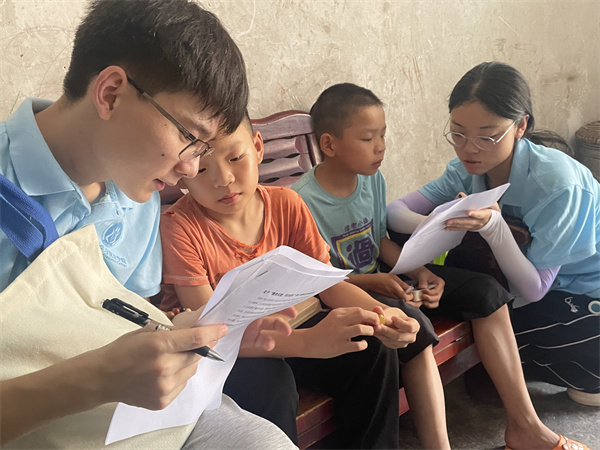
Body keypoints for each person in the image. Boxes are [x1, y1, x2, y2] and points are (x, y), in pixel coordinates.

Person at [0, 1, 297, 448]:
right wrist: (97, 379)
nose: (192, 169)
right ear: (111, 93)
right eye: (189, 137)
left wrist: (196, 333)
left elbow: (113, 321)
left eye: (204, 149)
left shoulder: (137, 196)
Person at [294, 82, 590, 450]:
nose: (381, 147)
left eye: (383, 135)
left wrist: (420, 271)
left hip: (386, 278)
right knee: (415, 326)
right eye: (369, 138)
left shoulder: (371, 181)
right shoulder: (301, 202)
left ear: (520, 126)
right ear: (329, 144)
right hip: (347, 292)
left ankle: (525, 426)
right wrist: (378, 281)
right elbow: (319, 281)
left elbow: (380, 241)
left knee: (486, 291)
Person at [157, 112, 441, 449]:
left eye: (235, 158)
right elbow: (210, 333)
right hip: (229, 352)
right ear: (184, 172)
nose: (224, 179)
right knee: (271, 384)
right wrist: (307, 342)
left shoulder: (287, 204)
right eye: (203, 169)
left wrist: (385, 315)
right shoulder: (180, 227)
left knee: (370, 343)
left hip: (294, 327)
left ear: (257, 147)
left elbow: (328, 285)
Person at [388, 61, 600, 409]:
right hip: (525, 287)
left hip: (580, 292)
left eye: (487, 137)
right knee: (485, 326)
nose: (469, 149)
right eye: (458, 134)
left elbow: (534, 288)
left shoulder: (558, 186)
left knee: (492, 334)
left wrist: (494, 227)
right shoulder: (464, 170)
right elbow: (395, 212)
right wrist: (442, 220)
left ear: (521, 126)